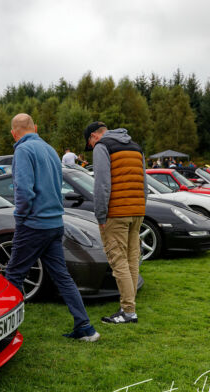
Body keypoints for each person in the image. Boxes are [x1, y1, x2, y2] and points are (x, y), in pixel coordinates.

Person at [6, 113, 100, 342]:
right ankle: (86, 328)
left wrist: (19, 217)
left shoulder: (22, 150)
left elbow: (24, 191)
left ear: (13, 133)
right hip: (55, 223)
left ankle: (4, 334)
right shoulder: (50, 150)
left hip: (33, 224)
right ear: (35, 128)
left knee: (12, 277)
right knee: (62, 277)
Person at [84, 121, 146, 324]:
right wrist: (140, 207)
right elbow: (144, 183)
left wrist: (101, 215)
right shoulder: (136, 147)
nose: (92, 147)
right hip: (137, 211)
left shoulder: (103, 146)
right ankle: (129, 306)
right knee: (131, 259)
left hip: (116, 213)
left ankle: (128, 311)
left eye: (90, 144)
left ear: (94, 136)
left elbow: (101, 184)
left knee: (118, 261)